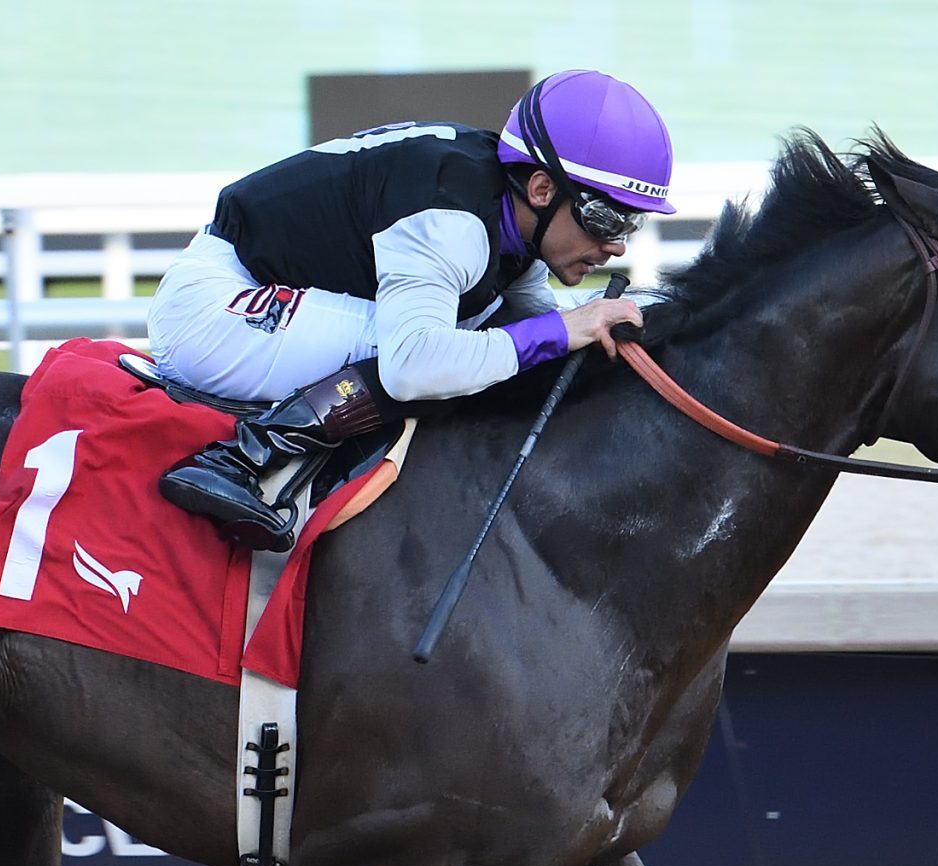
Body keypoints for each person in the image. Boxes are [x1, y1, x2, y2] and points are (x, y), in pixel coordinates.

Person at [147, 69, 675, 551]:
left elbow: (534, 340)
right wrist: (563, 328)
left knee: (492, 345)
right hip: (213, 307)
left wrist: (572, 335)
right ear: (541, 189)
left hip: (272, 288)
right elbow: (414, 364)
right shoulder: (451, 220)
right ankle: (240, 459)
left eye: (632, 226)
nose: (617, 246)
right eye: (606, 218)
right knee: (433, 356)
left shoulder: (508, 218)